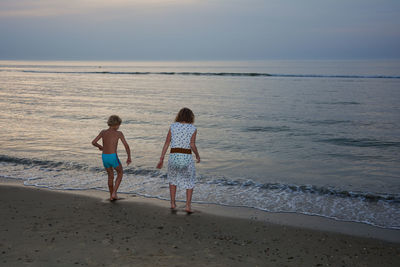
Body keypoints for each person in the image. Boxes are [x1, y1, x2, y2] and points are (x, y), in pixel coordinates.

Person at [157, 107, 200, 213]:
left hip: (174, 157)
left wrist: (161, 158)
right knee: (189, 182)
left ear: (179, 116)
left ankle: (172, 203)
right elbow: (192, 144)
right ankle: (188, 206)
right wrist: (197, 155)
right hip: (186, 157)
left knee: (172, 180)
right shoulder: (193, 128)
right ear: (191, 117)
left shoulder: (173, 126)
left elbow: (167, 143)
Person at [92, 115, 131, 201]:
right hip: (113, 156)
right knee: (120, 173)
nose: (119, 127)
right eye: (119, 125)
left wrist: (100, 147)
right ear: (116, 124)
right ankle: (114, 193)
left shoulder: (103, 132)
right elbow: (126, 146)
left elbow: (94, 142)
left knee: (110, 176)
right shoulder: (119, 133)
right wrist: (129, 157)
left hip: (104, 156)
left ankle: (111, 196)